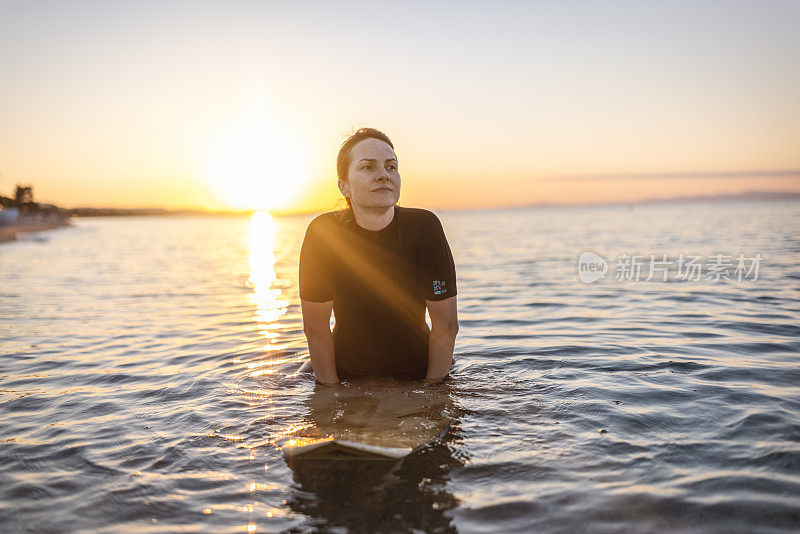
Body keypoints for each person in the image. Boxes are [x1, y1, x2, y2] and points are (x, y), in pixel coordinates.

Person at [299, 128, 459, 385]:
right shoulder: (323, 233)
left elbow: (446, 325)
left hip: (421, 369)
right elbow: (316, 328)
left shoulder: (424, 228)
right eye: (368, 167)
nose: (384, 175)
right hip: (344, 371)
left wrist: (434, 390)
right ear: (344, 187)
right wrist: (330, 392)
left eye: (391, 166)